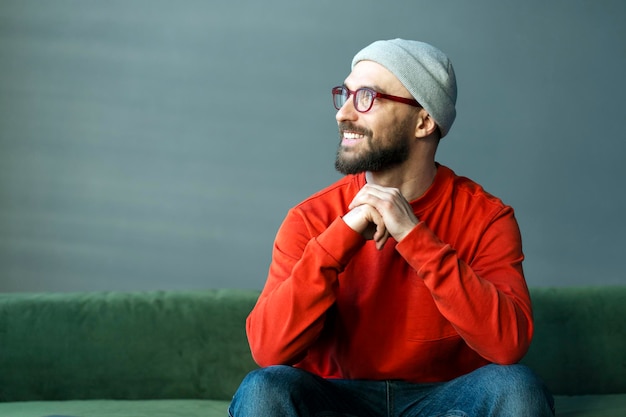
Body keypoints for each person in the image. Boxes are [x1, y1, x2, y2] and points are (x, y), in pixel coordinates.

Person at [228, 39, 554, 417]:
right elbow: (269, 351)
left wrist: (415, 237)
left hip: (446, 401)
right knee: (262, 389)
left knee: (518, 388)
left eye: (366, 97)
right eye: (345, 95)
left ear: (424, 121)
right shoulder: (310, 218)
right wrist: (340, 238)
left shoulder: (486, 217)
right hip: (336, 400)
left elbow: (507, 347)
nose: (343, 114)